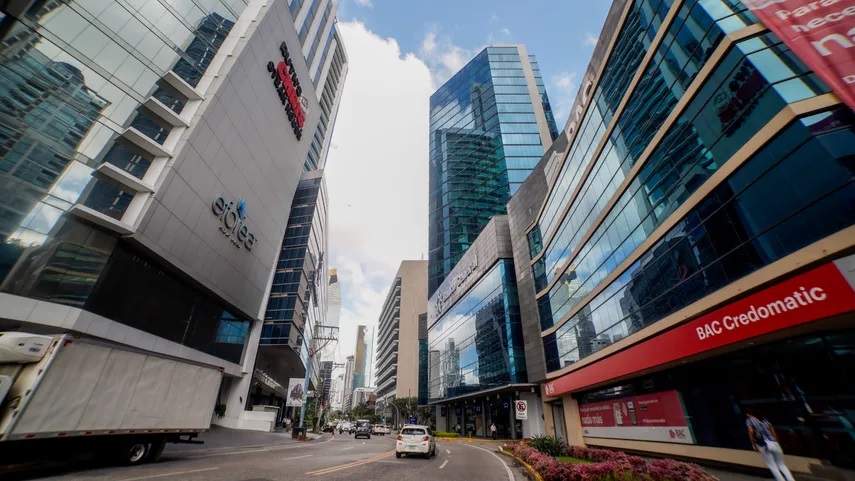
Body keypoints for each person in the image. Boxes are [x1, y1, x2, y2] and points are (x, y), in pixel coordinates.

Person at [746, 412, 795, 481]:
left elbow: (751, 432)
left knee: (772, 466)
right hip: (774, 443)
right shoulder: (765, 419)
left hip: (764, 445)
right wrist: (777, 442)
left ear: (749, 414)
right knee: (781, 464)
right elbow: (773, 431)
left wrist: (754, 445)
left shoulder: (749, 420)